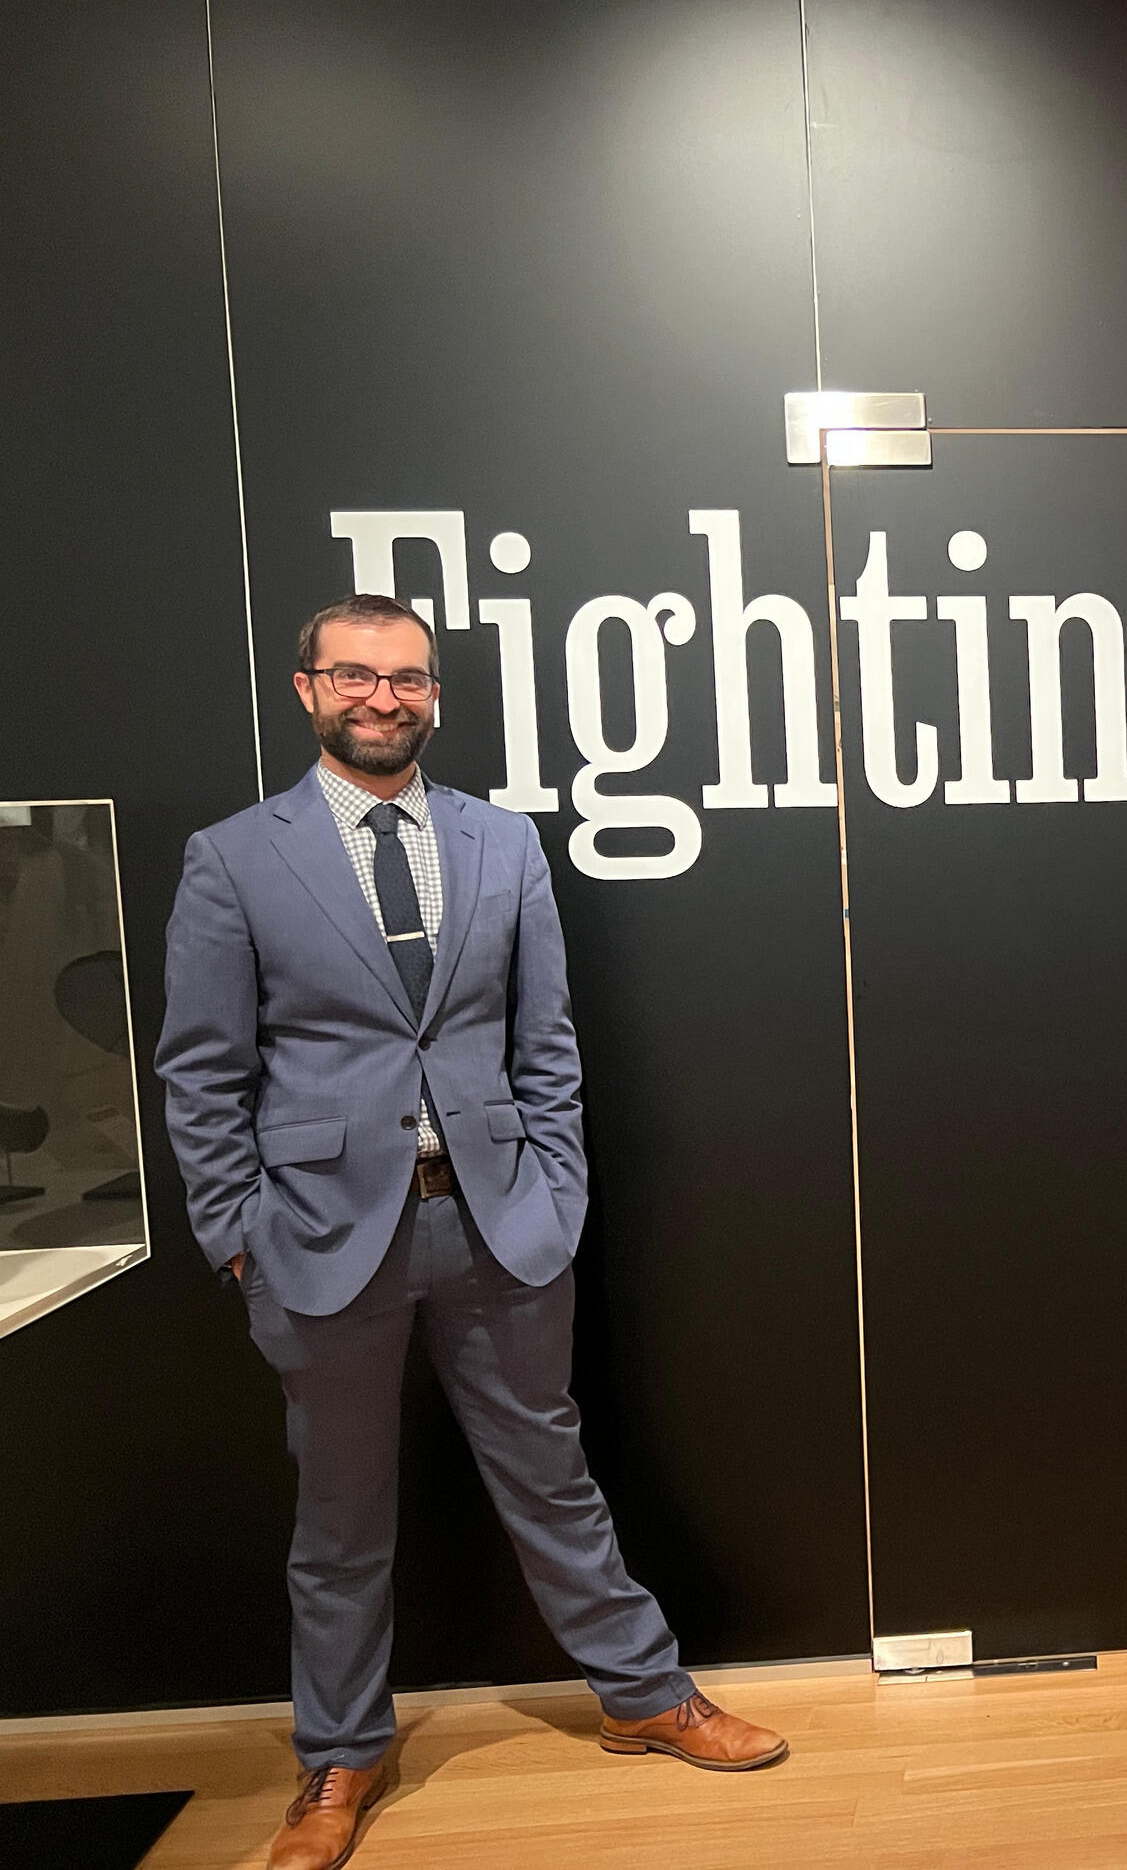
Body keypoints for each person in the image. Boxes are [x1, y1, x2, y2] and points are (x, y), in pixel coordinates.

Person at [156, 594, 785, 1870]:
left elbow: (545, 1041)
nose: (381, 698)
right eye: (354, 676)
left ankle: (644, 1694)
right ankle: (340, 1758)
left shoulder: (501, 842)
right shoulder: (233, 858)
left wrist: (556, 1192)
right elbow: (200, 1071)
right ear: (306, 689)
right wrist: (236, 1234)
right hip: (320, 1237)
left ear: (433, 693)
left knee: (552, 1477)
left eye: (406, 678)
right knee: (340, 1522)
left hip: (499, 1227)